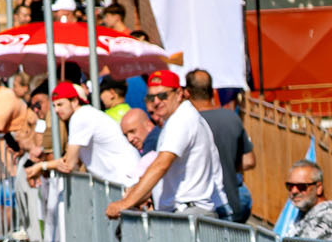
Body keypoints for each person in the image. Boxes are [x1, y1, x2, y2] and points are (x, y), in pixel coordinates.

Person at [105, 69, 224, 218]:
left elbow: (161, 164)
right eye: (151, 97)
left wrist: (126, 203)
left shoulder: (182, 119)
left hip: (189, 212)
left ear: (179, 93)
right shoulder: (176, 119)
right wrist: (138, 192)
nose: (156, 102)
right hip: (186, 211)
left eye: (162, 96)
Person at [27, 82, 141, 186]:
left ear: (75, 101)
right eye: (54, 106)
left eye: (60, 104)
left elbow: (69, 165)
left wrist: (41, 166)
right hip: (122, 179)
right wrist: (43, 166)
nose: (56, 110)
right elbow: (69, 159)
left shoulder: (80, 117)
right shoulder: (84, 114)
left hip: (126, 178)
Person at [186, 67, 253, 222]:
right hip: (232, 202)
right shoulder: (231, 117)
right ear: (213, 91)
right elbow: (249, 161)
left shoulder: (189, 123)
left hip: (203, 207)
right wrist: (228, 165)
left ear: (187, 93)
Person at [285, 161, 332, 241]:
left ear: (318, 188)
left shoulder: (326, 219)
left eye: (301, 187)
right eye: (290, 186)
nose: (294, 191)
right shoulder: (305, 212)